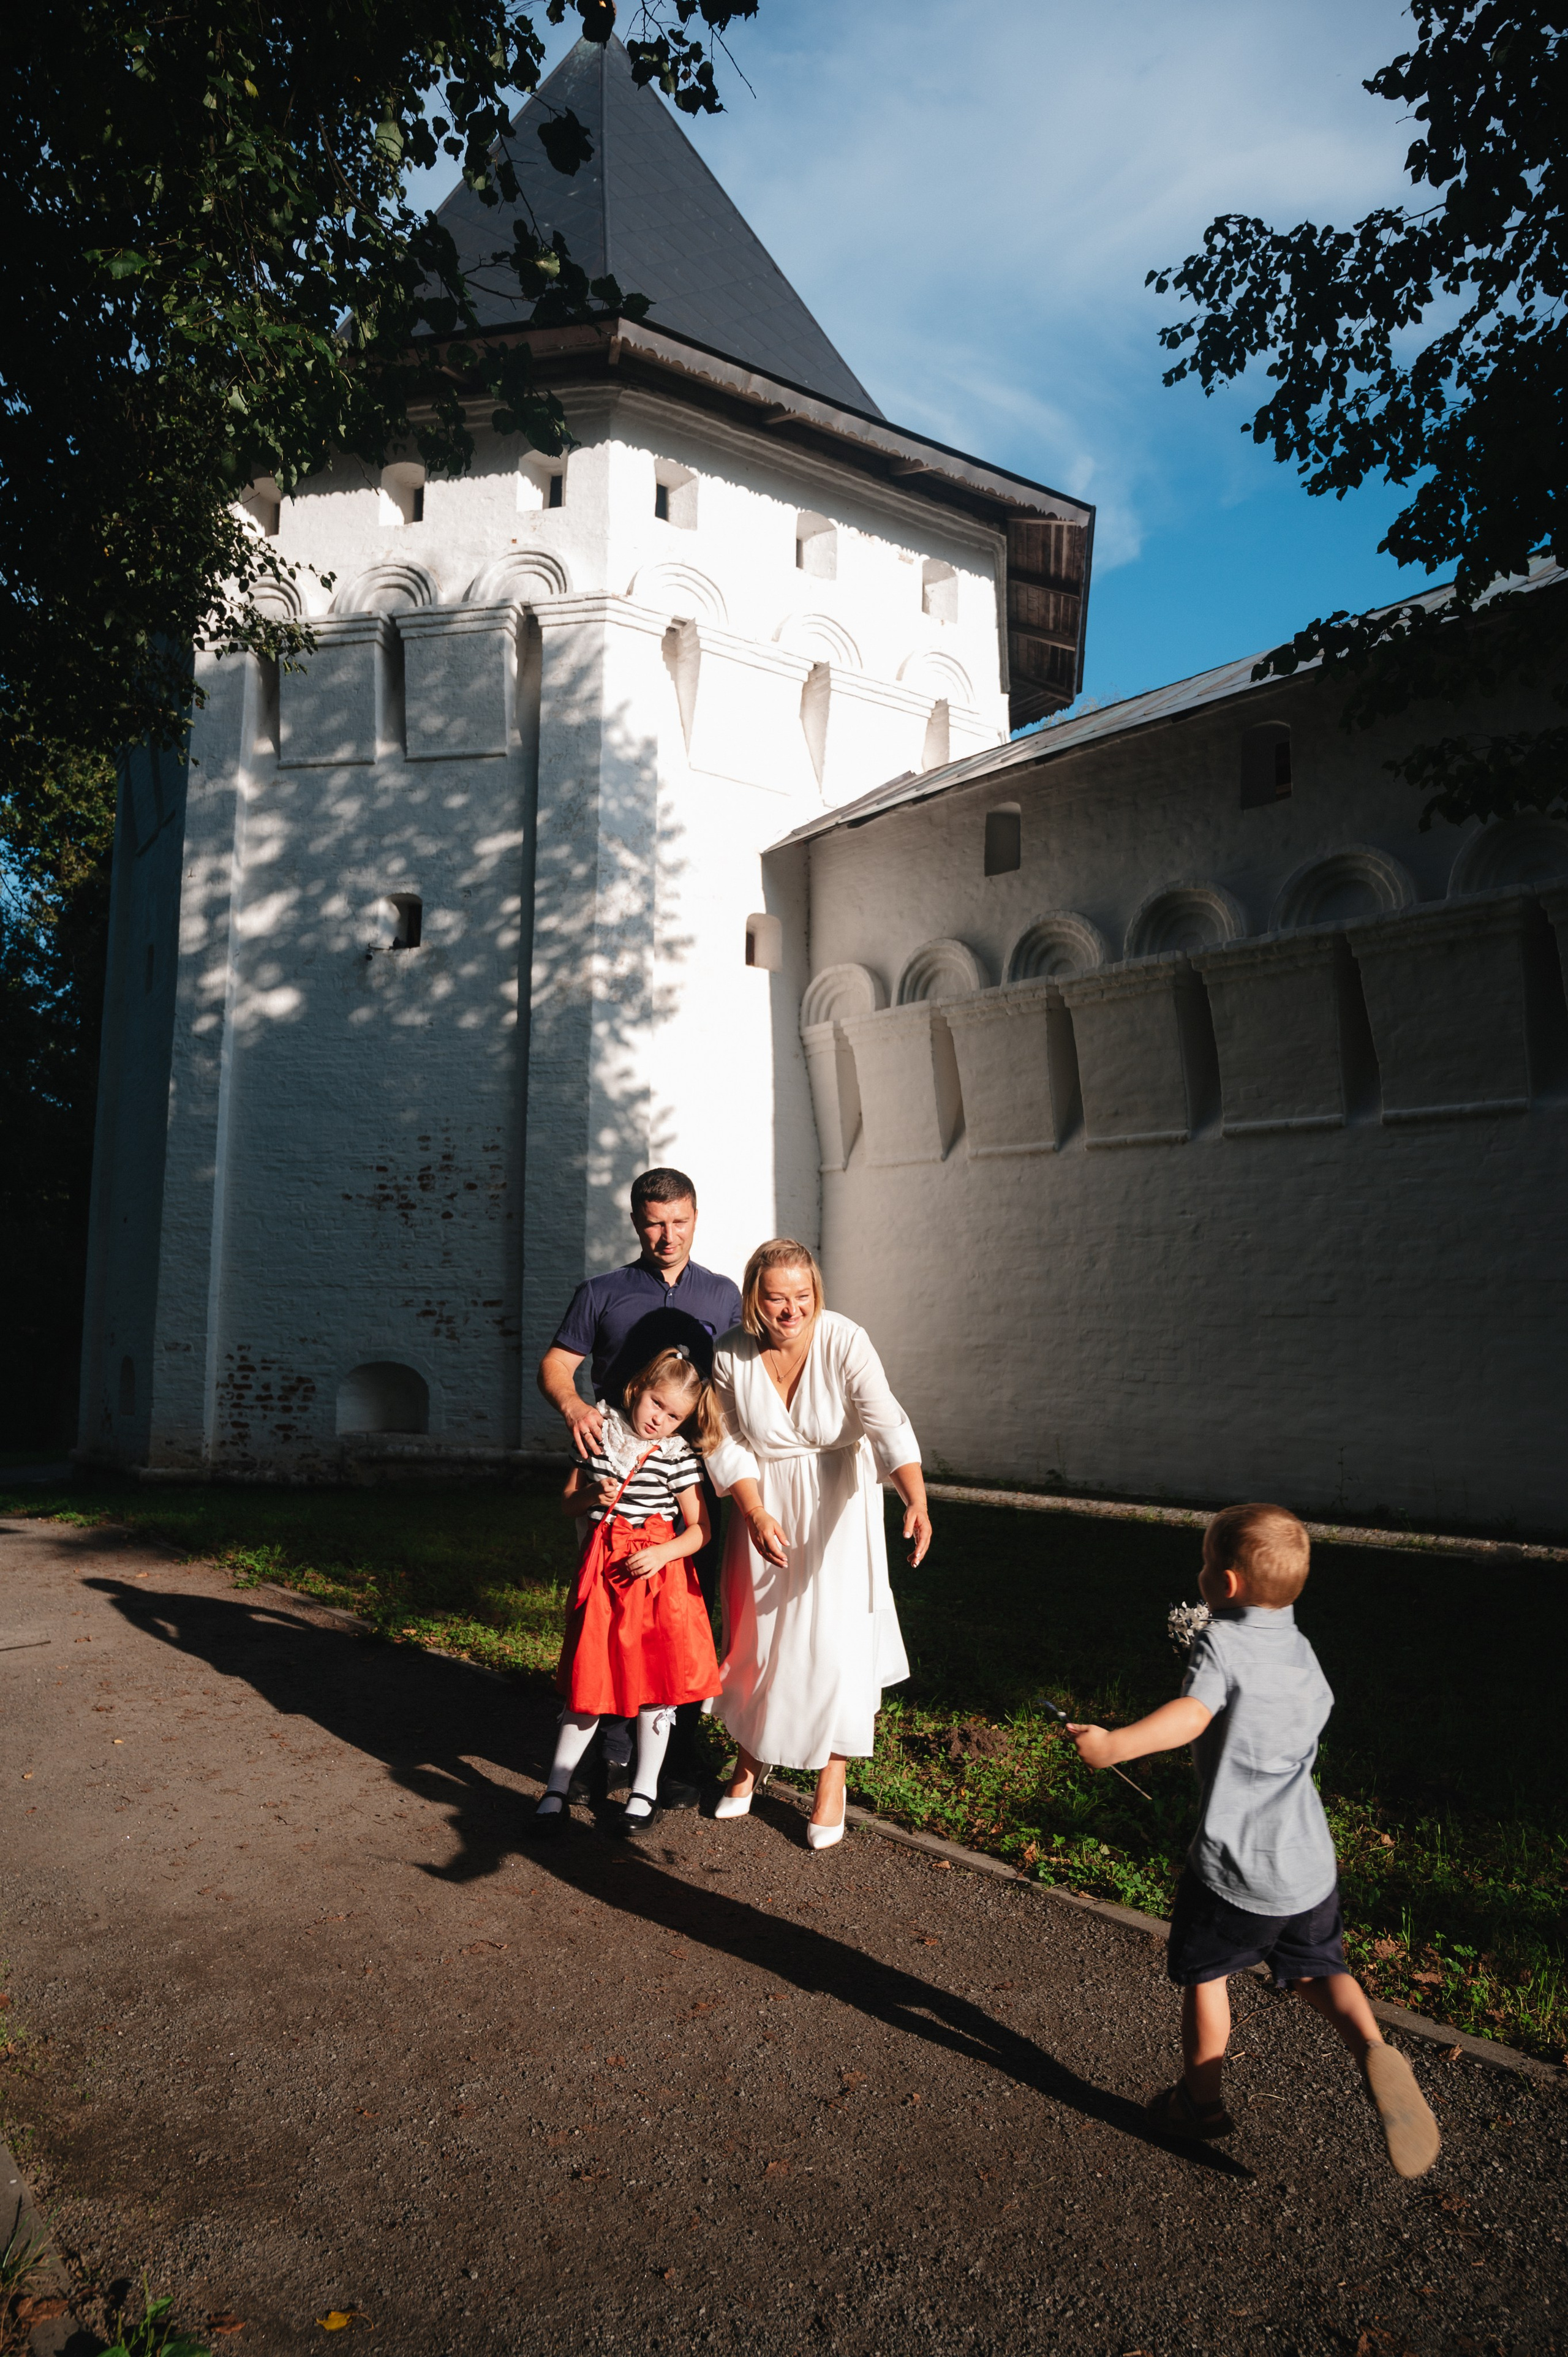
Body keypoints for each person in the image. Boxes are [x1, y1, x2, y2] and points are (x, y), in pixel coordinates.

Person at [1066, 1502, 1441, 2179]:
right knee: (1322, 1970)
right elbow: (1313, 1711)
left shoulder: (1222, 1643)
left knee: (1208, 1975)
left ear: (1228, 1584)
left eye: (1207, 1560)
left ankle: (1199, 2102)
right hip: (1308, 1863)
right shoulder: (1300, 1649)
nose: (1201, 1569)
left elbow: (1191, 1713)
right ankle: (1371, 2047)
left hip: (1235, 1869)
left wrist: (1115, 1743)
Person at [699, 1239, 931, 1850]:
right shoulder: (728, 1353)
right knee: (759, 1637)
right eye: (776, 1297)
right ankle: (752, 1755)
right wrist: (751, 1510)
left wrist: (916, 1497)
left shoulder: (845, 1339)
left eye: (802, 1296)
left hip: (838, 1504)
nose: (790, 1310)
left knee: (833, 1642)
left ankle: (833, 1776)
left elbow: (886, 1422)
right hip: (763, 1504)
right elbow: (721, 1440)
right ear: (755, 1296)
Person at [537, 1167, 741, 1803]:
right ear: (635, 1222)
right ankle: (613, 1756)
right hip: (614, 1477)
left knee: (680, 1616)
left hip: (690, 1476)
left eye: (678, 1220)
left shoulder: (722, 1294)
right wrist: (573, 1408)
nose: (667, 1234)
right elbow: (557, 1364)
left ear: (696, 1217)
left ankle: (672, 1756)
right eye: (654, 1222)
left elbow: (742, 1382)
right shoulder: (602, 1291)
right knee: (608, 1616)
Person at [533, 1349, 720, 1839]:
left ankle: (644, 1790)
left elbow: (701, 1530)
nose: (660, 1419)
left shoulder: (677, 1457)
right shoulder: (597, 1438)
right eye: (657, 1404)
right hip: (604, 1581)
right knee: (589, 1683)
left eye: (674, 1415)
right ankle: (556, 1786)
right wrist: (592, 1497)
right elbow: (567, 1503)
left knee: (658, 1690)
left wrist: (664, 1553)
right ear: (637, 1390)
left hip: (657, 1584)